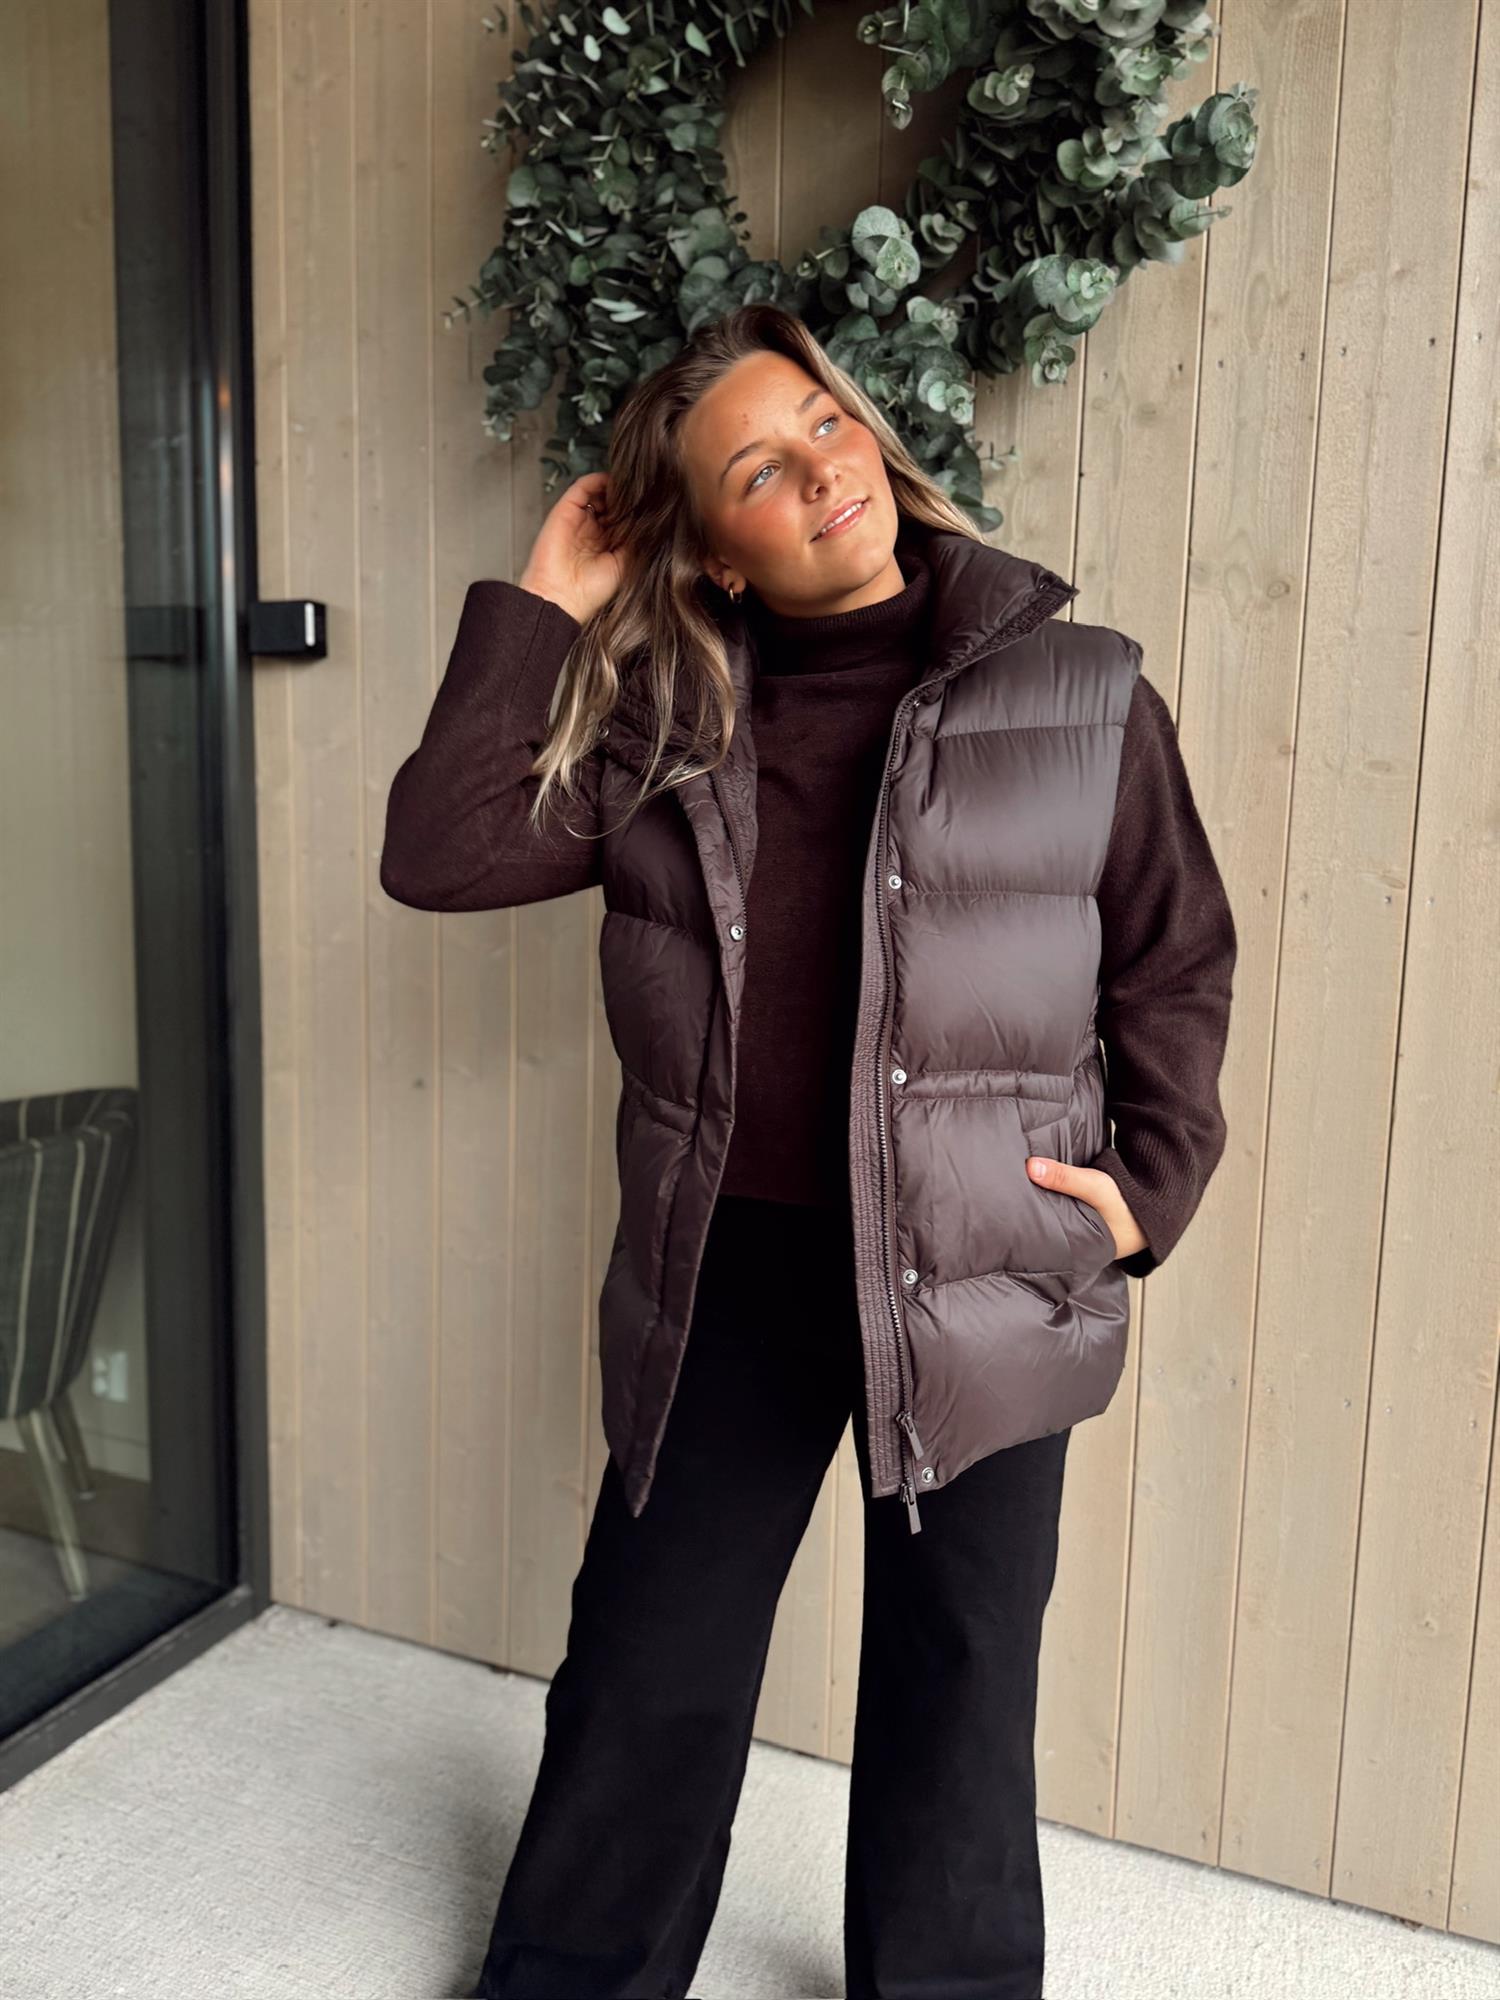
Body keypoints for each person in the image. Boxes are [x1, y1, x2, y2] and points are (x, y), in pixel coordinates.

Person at [380, 303, 1236, 2000]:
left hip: (989, 1253)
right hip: (732, 1264)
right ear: (714, 550)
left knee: (962, 1671)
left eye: (823, 424)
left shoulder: (1083, 693)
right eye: (758, 470)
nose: (821, 471)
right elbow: (442, 851)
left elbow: (1174, 956)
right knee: (650, 1657)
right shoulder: (660, 723)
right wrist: (543, 601)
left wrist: (1147, 1195)